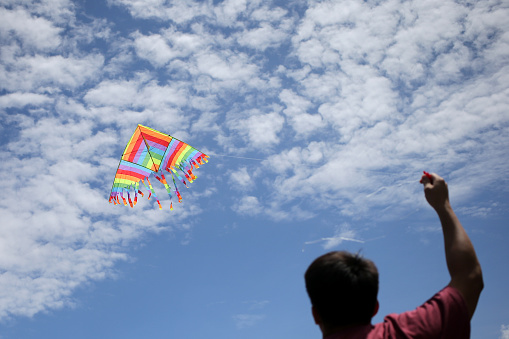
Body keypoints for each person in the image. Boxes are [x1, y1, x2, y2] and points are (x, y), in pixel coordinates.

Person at [305, 173, 483, 338]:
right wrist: (443, 205)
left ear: (315, 315)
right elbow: (469, 277)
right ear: (375, 307)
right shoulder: (404, 333)